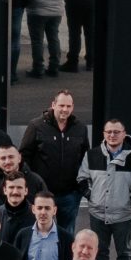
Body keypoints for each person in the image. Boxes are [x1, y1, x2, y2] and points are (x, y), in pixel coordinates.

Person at [78, 118, 131, 260]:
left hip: (124, 215)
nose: (112, 135)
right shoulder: (92, 155)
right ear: (104, 134)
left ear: (124, 134)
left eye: (116, 132)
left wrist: (129, 200)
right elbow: (82, 178)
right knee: (99, 252)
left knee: (124, 253)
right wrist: (93, 197)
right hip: (98, 214)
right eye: (109, 132)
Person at [20, 91, 90, 228]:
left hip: (70, 194)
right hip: (42, 194)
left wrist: (80, 188)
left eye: (68, 106)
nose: (65, 109)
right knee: (40, 232)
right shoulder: (36, 126)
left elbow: (85, 158)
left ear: (73, 107)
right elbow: (23, 156)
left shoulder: (80, 128)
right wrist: (31, 183)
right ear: (53, 105)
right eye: (61, 105)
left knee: (66, 235)